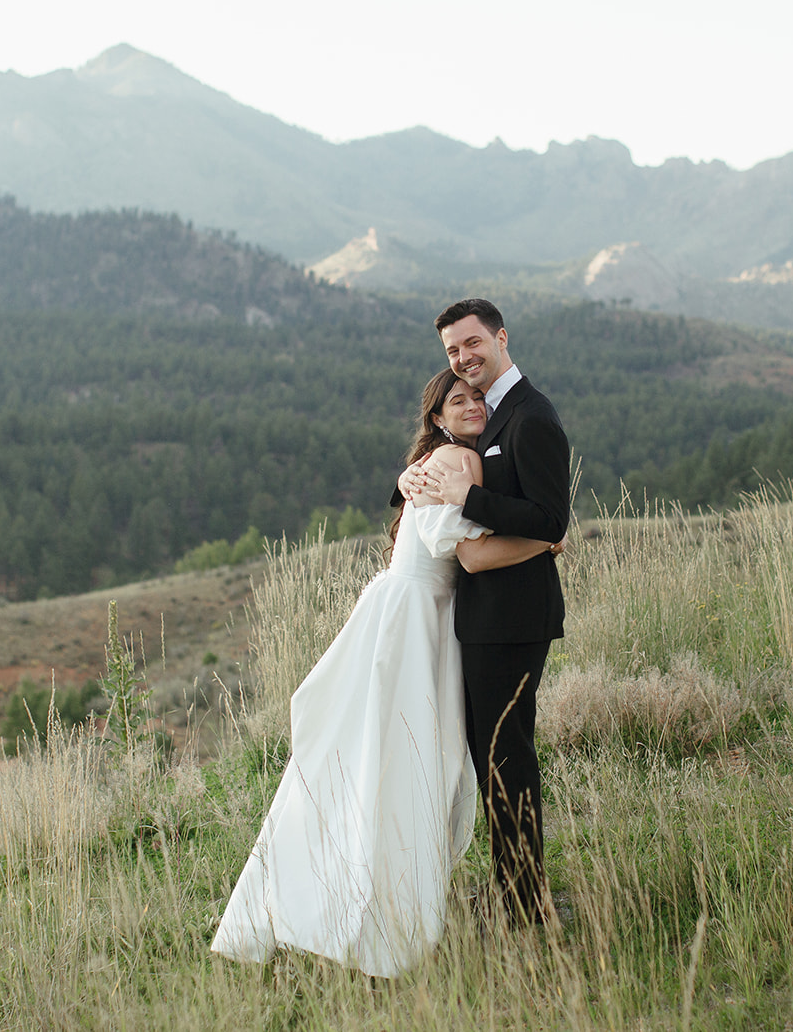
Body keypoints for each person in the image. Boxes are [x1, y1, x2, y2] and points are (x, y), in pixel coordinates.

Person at [211, 369, 559, 977]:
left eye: (477, 395)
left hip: (424, 620)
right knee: (400, 763)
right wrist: (547, 542)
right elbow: (474, 556)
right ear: (438, 416)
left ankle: (369, 898)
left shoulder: (442, 461)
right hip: (412, 625)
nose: (473, 404)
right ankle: (372, 913)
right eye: (458, 400)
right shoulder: (452, 459)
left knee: (394, 760)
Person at [404, 297, 569, 923]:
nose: (464, 359)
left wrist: (468, 496)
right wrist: (410, 481)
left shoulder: (532, 418)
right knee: (494, 756)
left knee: (506, 757)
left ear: (501, 337)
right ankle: (514, 891)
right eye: (452, 351)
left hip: (513, 618)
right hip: (486, 619)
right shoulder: (490, 418)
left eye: (473, 344)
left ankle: (525, 905)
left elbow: (551, 517)